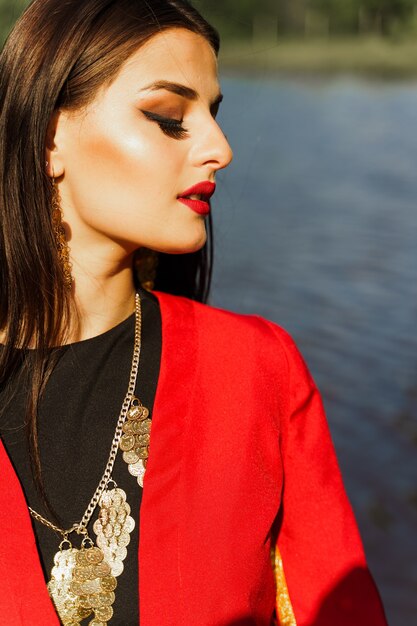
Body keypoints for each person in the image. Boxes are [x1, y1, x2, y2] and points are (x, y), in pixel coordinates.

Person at [0, 1, 388, 625]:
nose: (221, 149)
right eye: (169, 117)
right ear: (49, 138)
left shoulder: (255, 372)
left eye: (213, 114)